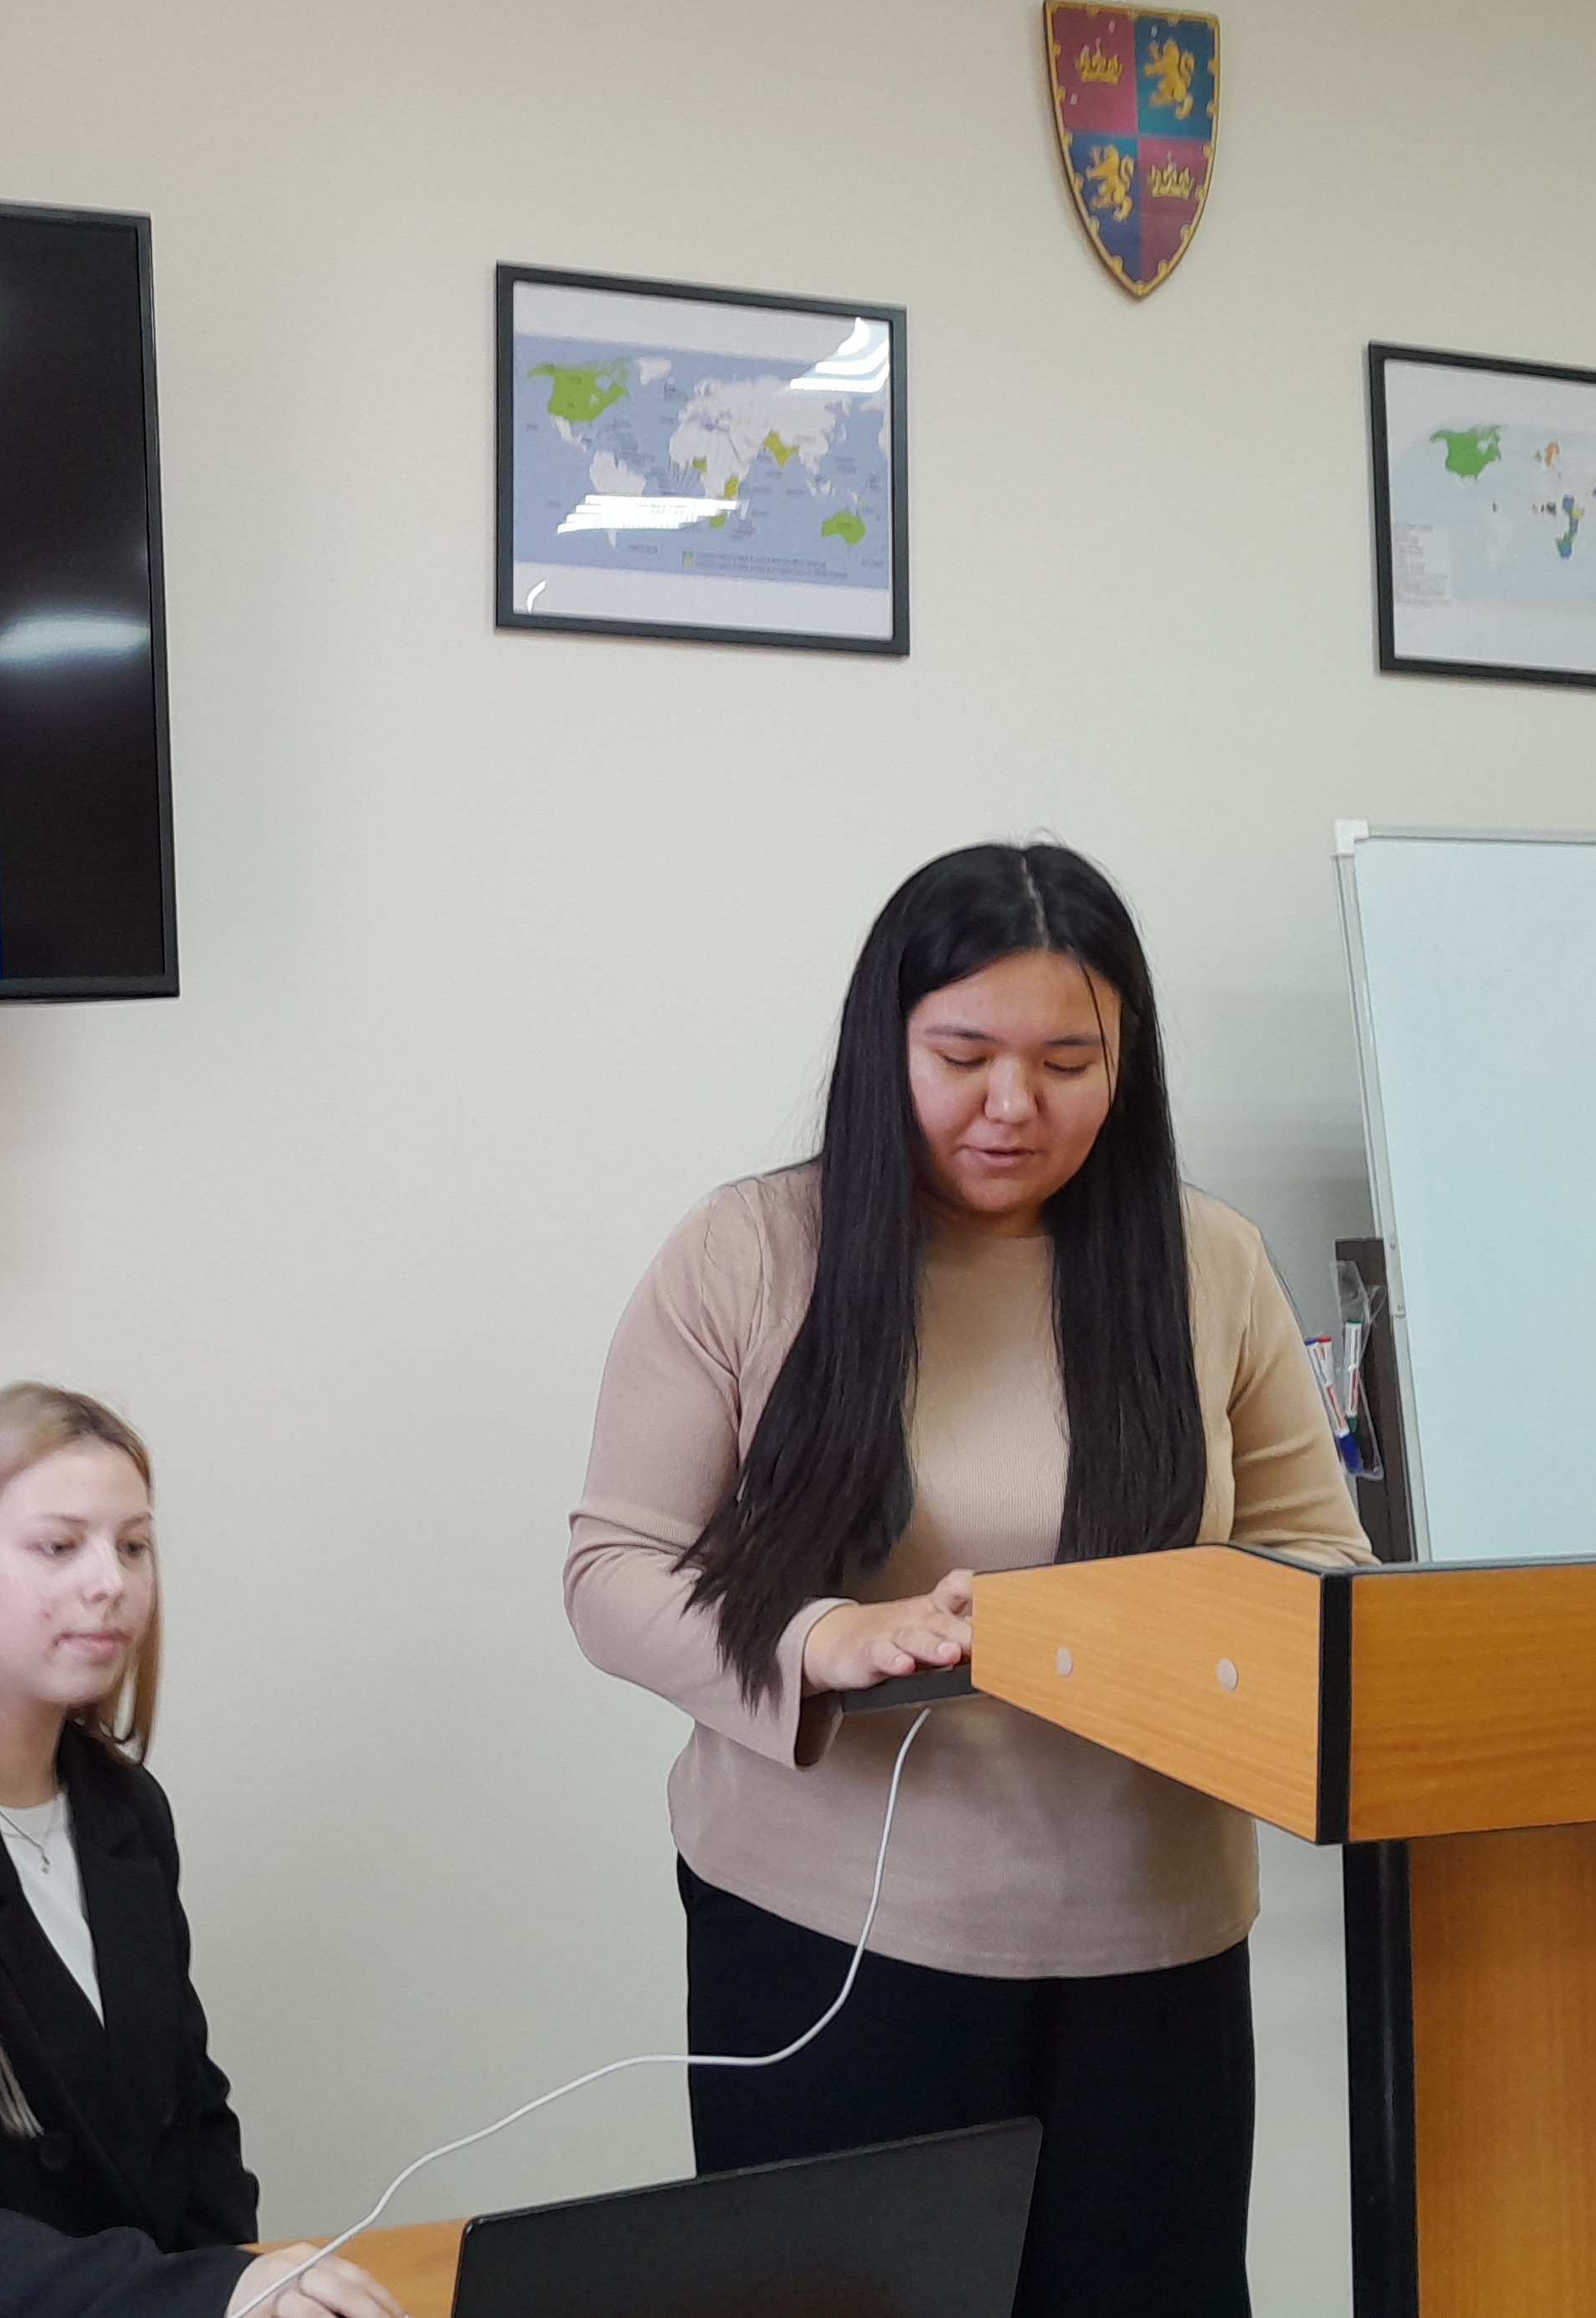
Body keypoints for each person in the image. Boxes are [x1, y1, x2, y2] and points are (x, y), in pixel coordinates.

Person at [564, 842, 1371, 2318]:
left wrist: (1171, 1629)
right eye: (963, 1056)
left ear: (1129, 1062)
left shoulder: (1209, 1263)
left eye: (1069, 1063)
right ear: (885, 1045)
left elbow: (1325, 1563)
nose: (1014, 1105)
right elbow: (613, 1571)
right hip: (826, 1934)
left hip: (1154, 1936)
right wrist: (824, 1641)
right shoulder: (750, 1250)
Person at [0, 1385, 401, 2318]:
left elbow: (192, 2128)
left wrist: (240, 2286)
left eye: (133, 1546)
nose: (111, 1583)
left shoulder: (125, 1809)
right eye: (59, 1547)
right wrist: (195, 2298)